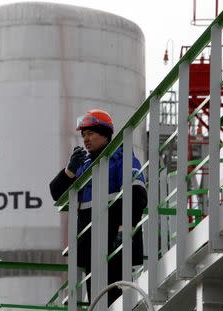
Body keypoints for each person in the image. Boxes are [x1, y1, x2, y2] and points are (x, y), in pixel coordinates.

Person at [49, 109, 147, 307]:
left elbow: (137, 195)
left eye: (91, 134)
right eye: (84, 135)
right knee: (97, 301)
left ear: (105, 133)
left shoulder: (121, 158)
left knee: (117, 300)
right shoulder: (83, 167)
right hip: (91, 248)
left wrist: (124, 228)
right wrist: (69, 171)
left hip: (117, 244)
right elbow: (56, 194)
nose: (86, 139)